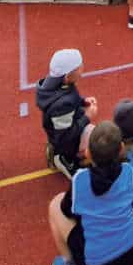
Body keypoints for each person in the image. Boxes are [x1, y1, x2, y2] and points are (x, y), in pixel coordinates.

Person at [49, 120, 133, 265]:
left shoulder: (80, 180)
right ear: (122, 149)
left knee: (54, 205)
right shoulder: (128, 171)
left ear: (87, 153)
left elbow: (67, 211)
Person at [37, 48, 96, 179]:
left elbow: (71, 96)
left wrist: (82, 101)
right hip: (66, 141)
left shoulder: (56, 84)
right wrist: (88, 117)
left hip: (65, 125)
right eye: (79, 68)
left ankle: (59, 149)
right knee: (98, 147)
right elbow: (65, 136)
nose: (82, 71)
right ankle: (63, 159)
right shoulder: (62, 105)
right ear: (67, 76)